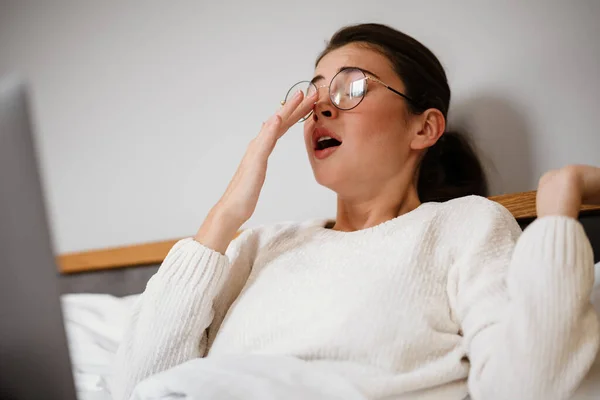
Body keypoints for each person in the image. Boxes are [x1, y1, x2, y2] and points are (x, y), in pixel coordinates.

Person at [110, 23, 600, 400]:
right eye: (314, 95)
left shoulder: (463, 225)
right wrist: (224, 216)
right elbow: (138, 384)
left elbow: (528, 382)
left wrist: (559, 206)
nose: (321, 107)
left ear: (424, 128)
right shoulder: (260, 244)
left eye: (350, 88)